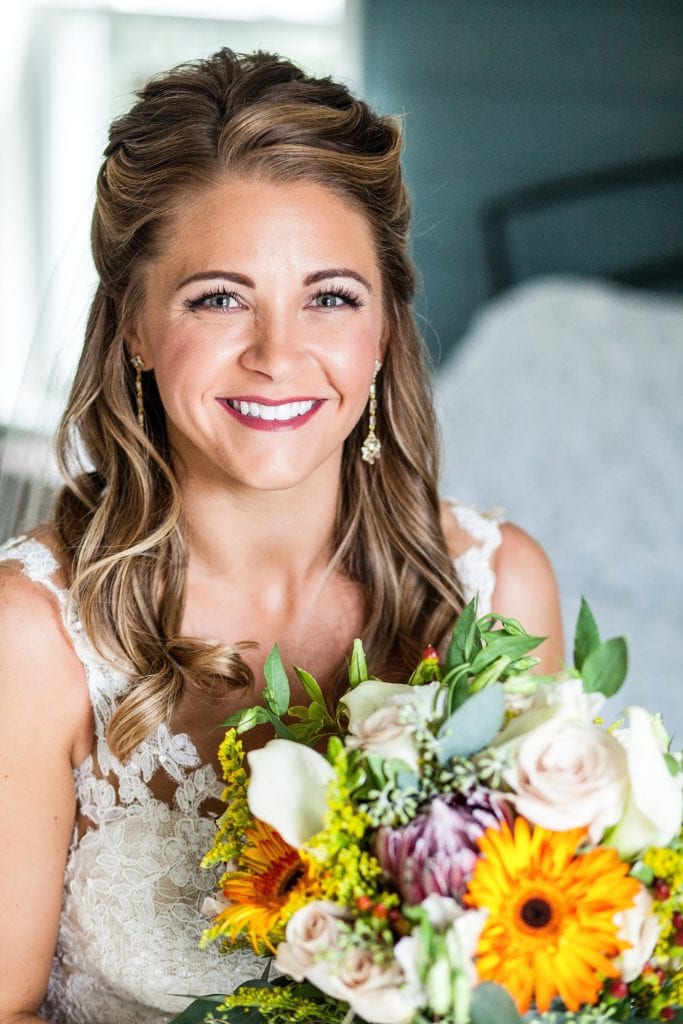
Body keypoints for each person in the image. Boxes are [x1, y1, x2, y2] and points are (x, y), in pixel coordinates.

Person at [0, 48, 563, 1024]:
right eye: (218, 297)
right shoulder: (32, 637)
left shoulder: (497, 587)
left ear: (383, 326)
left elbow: (543, 965)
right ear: (133, 325)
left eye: (330, 297)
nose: (276, 354)